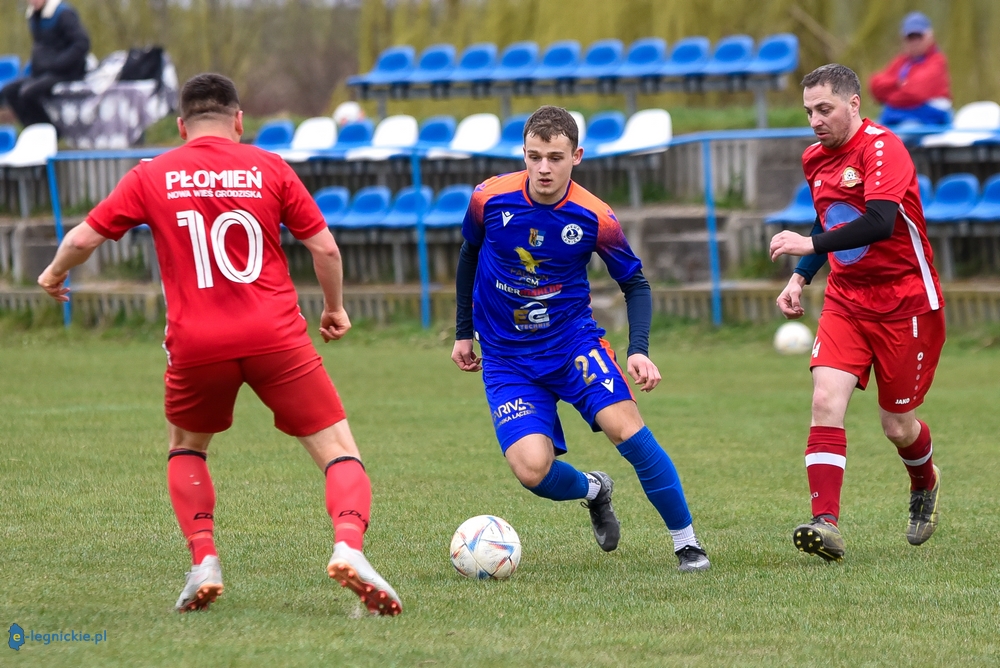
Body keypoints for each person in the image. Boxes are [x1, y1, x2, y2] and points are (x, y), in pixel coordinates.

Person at [37, 73, 402, 616]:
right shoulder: (270, 167)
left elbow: (83, 237)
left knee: (187, 447)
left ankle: (204, 560)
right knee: (338, 452)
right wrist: (334, 308)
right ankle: (349, 546)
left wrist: (53, 273)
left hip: (196, 343)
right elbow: (325, 249)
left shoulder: (151, 173)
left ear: (182, 126)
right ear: (239, 120)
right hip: (276, 337)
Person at [451, 105, 710, 572]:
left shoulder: (595, 216)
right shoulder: (489, 197)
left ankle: (687, 543)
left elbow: (635, 284)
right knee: (532, 470)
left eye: (555, 157)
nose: (543, 168)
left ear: (577, 156)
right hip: (507, 357)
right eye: (534, 156)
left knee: (625, 428)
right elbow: (469, 254)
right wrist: (462, 332)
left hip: (572, 345)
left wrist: (638, 350)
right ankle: (595, 489)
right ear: (523, 154)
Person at [770, 64, 945, 563]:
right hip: (847, 301)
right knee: (825, 400)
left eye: (824, 109)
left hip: (906, 303)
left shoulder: (883, 148)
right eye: (808, 111)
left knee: (898, 426)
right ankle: (825, 523)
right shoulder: (814, 158)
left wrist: (808, 245)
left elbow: (879, 221)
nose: (815, 120)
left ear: (853, 104)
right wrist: (801, 275)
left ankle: (924, 480)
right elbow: (827, 221)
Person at [0, 0, 90, 127]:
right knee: (9, 91)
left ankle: (52, 130)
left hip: (66, 72)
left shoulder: (63, 13)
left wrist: (59, 63)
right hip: (43, 73)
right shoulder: (34, 16)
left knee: (28, 93)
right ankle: (32, 128)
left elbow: (82, 43)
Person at [869, 11, 951, 127]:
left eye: (919, 36)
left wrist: (889, 97)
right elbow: (876, 86)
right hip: (900, 118)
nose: (915, 42)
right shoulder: (901, 61)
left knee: (904, 130)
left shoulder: (937, 61)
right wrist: (898, 83)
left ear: (930, 36)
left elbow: (915, 92)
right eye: (910, 37)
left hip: (929, 122)